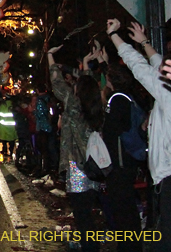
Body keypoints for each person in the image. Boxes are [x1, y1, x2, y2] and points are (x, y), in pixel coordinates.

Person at [109, 20, 170, 250]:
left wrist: (115, 36)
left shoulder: (168, 93)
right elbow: (156, 65)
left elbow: (141, 69)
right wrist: (144, 42)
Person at [49, 44, 102, 252]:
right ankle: (91, 245)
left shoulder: (73, 105)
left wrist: (51, 57)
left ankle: (89, 247)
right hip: (94, 165)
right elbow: (90, 84)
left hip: (78, 166)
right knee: (88, 210)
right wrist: (86, 66)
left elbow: (58, 84)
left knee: (82, 214)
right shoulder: (95, 105)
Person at [102, 20, 143, 252]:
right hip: (125, 159)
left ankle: (129, 246)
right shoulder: (127, 95)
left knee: (123, 206)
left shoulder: (117, 99)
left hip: (119, 161)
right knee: (125, 205)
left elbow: (113, 129)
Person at [0, 98, 17, 162]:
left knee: (4, 140)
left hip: (4, 126)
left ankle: (5, 150)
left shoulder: (3, 106)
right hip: (12, 126)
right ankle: (11, 152)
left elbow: (0, 115)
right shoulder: (14, 105)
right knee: (12, 141)